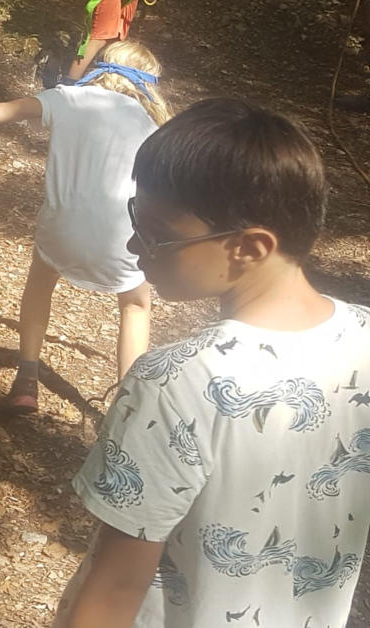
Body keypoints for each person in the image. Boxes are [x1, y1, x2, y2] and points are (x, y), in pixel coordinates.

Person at [56, 99, 370, 627]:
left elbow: (114, 590)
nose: (134, 244)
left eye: (156, 231)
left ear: (249, 247)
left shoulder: (176, 383)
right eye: (135, 217)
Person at [0, 41, 172, 412]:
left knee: (40, 282)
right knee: (136, 305)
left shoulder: (68, 98)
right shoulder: (155, 126)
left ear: (101, 67)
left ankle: (26, 379)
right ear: (147, 83)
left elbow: (9, 109)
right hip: (123, 240)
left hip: (62, 231)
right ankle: (126, 406)